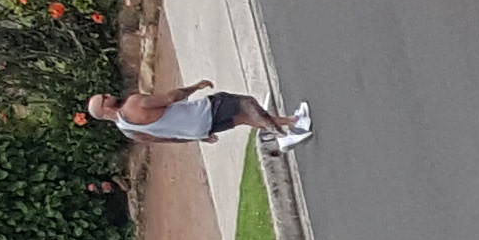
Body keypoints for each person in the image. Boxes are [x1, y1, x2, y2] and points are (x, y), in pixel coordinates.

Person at [87, 81, 313, 154]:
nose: (108, 95)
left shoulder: (127, 130)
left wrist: (198, 137)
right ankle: (281, 137)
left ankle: (293, 122)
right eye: (104, 98)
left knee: (244, 117)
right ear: (104, 109)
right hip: (202, 112)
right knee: (246, 103)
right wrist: (194, 87)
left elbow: (165, 139)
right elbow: (170, 97)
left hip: (198, 129)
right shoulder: (133, 103)